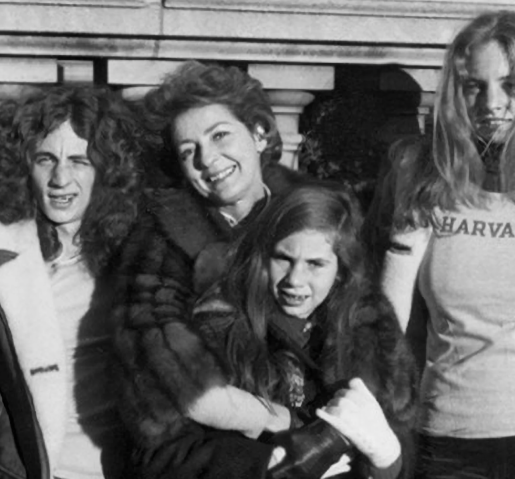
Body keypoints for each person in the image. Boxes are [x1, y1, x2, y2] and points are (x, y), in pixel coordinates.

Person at [0, 85, 143, 479]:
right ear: (24, 166)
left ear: (107, 170)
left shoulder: (140, 250)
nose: (61, 178)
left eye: (80, 160)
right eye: (46, 159)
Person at [112, 60, 308, 478]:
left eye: (220, 135)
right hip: (206, 455)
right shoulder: (160, 241)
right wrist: (281, 423)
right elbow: (172, 380)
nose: (208, 159)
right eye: (189, 151)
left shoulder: (310, 221)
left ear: (258, 134)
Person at [189, 184, 418, 479]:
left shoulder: (373, 334)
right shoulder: (220, 328)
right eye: (283, 258)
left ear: (341, 269)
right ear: (262, 256)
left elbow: (400, 460)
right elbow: (170, 451)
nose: (295, 279)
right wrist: (264, 463)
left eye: (315, 264)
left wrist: (386, 456)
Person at [376, 10, 515, 479]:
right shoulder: (423, 175)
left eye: (510, 84)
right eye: (475, 86)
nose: (491, 103)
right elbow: (391, 315)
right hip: (448, 440)